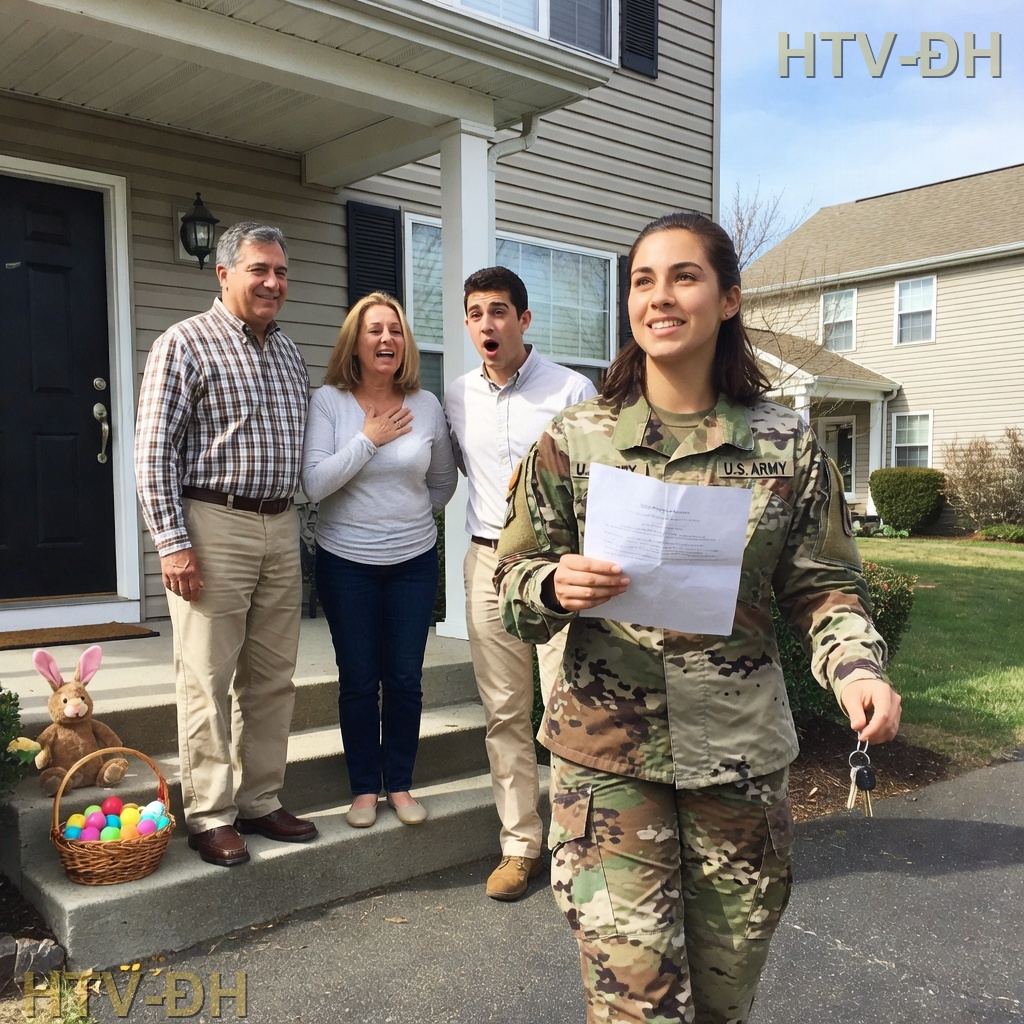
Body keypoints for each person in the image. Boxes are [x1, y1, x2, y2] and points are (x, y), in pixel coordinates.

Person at [495, 212, 902, 1023]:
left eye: (684, 276)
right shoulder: (576, 440)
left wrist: (857, 668)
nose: (660, 296)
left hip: (738, 761)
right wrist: (553, 585)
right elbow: (510, 581)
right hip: (608, 760)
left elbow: (824, 586)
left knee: (722, 998)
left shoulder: (787, 446)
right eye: (644, 280)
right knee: (638, 1005)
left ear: (727, 301)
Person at [135, 221, 317, 868]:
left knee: (273, 677)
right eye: (258, 269)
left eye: (281, 272)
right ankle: (210, 813)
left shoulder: (291, 354)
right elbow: (153, 450)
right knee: (206, 676)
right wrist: (172, 544)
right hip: (214, 524)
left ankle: (261, 799)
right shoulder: (185, 343)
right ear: (223, 274)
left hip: (280, 523)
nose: (272, 282)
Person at [444, 267, 597, 901]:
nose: (488, 324)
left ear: (524, 320)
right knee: (505, 710)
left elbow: (596, 482)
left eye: (500, 311)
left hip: (558, 567)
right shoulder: (455, 396)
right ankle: (519, 846)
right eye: (476, 313)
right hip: (487, 565)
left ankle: (576, 841)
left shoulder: (571, 390)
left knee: (569, 706)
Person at [302, 292, 457, 828]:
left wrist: (403, 519)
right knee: (360, 680)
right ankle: (365, 789)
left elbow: (442, 484)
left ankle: (402, 784)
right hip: (346, 564)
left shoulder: (427, 404)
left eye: (395, 330)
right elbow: (315, 483)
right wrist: (368, 440)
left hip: (413, 562)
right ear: (355, 341)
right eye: (374, 330)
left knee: (406, 678)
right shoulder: (330, 402)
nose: (386, 339)